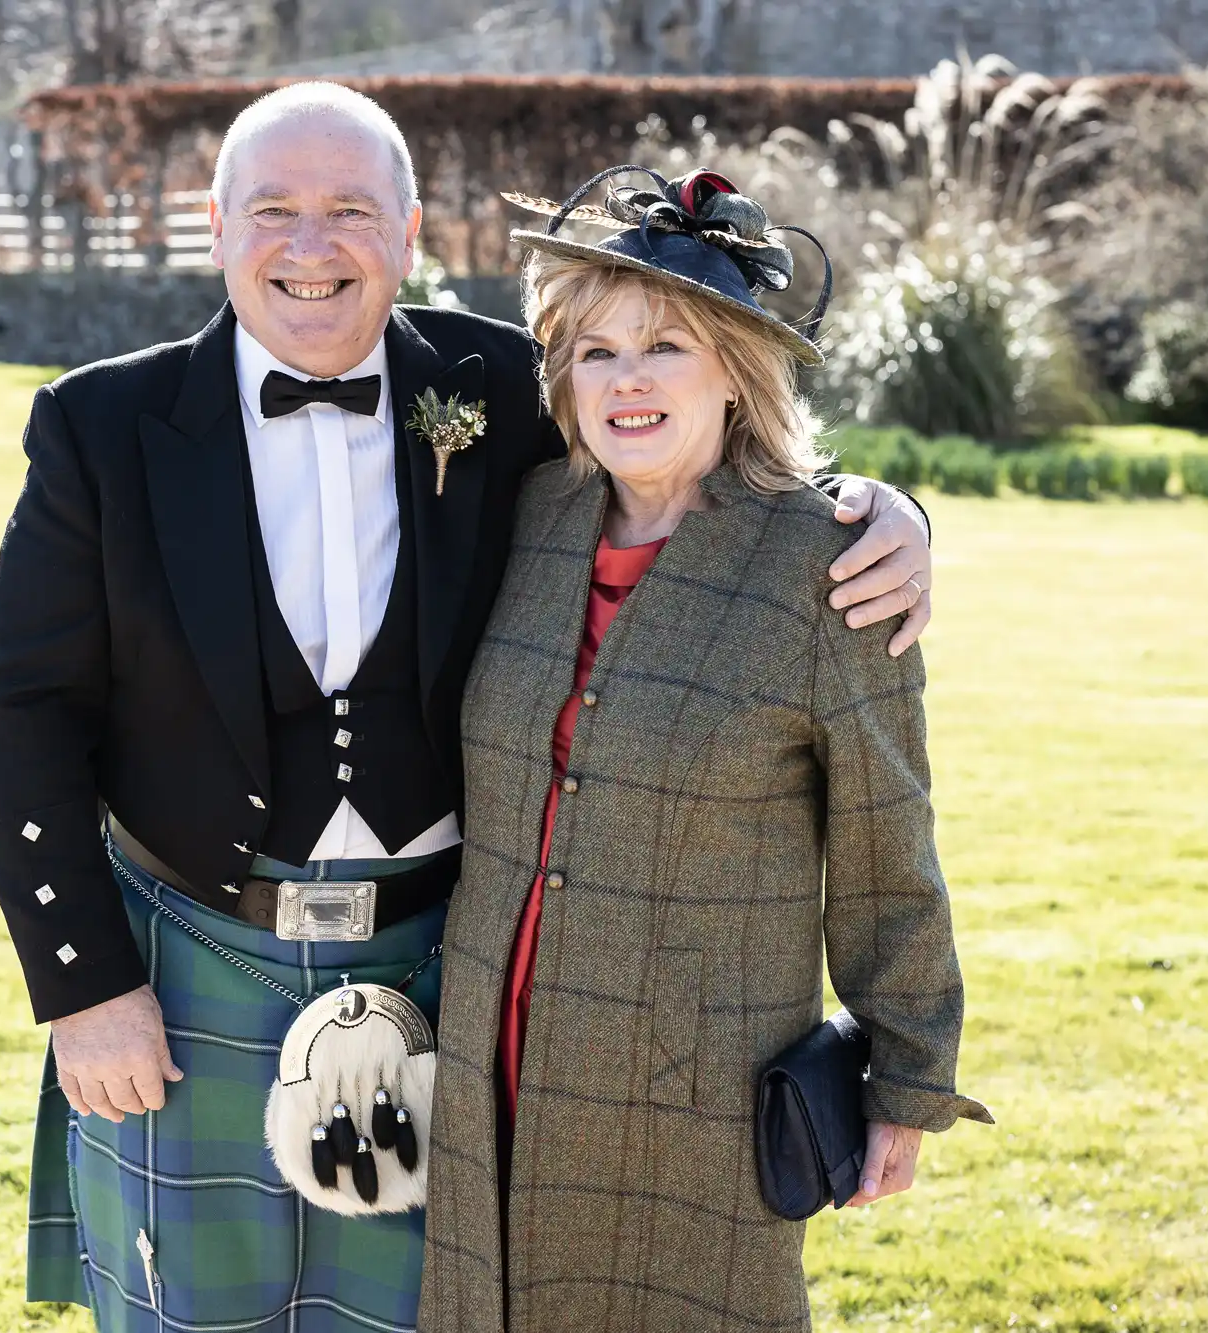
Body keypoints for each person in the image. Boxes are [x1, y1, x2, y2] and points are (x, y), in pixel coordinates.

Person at [0, 87, 934, 1332]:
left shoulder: (498, 387)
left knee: (424, 1313)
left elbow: (677, 432)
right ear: (213, 226)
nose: (310, 249)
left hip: (441, 965)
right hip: (183, 958)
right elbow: (21, 716)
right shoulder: (99, 425)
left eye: (350, 212)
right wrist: (82, 984)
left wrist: (874, 511)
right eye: (273, 211)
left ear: (410, 227)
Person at [418, 166, 992, 1333]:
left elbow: (889, 849)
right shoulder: (520, 519)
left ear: (733, 368)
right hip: (485, 1069)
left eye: (666, 345)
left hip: (692, 1087)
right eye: (594, 352)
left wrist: (907, 1076)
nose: (627, 380)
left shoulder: (823, 567)